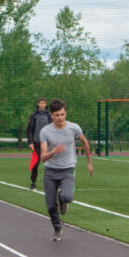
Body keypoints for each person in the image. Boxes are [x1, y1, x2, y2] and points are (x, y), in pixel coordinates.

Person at [38, 98, 93, 241]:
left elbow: (85, 142)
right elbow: (43, 157)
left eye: (62, 114)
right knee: (50, 206)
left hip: (67, 170)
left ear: (65, 113)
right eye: (57, 115)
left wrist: (89, 162)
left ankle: (63, 201)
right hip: (50, 172)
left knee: (67, 196)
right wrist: (54, 151)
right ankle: (57, 228)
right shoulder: (45, 131)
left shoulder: (74, 128)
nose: (60, 118)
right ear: (51, 115)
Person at [25, 98, 51, 189]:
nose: (42, 105)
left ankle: (51, 183)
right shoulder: (34, 115)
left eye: (43, 103)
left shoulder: (49, 116)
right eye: (40, 103)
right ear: (38, 104)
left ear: (46, 104)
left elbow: (53, 129)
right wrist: (30, 142)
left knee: (51, 164)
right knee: (35, 164)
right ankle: (33, 182)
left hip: (47, 144)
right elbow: (29, 129)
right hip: (36, 143)